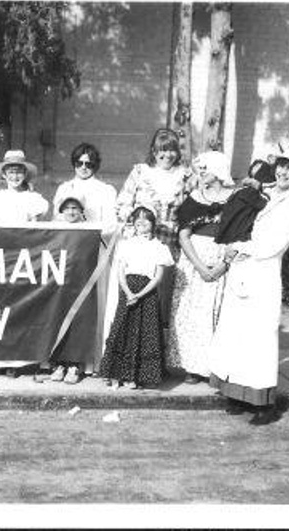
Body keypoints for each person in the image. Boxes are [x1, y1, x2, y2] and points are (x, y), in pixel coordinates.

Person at [208, 146, 289, 425]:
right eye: (282, 166)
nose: (283, 172)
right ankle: (238, 395)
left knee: (260, 337)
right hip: (242, 267)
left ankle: (265, 404)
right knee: (236, 332)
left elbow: (273, 244)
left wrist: (239, 246)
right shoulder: (267, 191)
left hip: (262, 270)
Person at [106, 128, 194, 344]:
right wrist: (140, 221)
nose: (167, 155)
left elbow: (194, 206)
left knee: (157, 301)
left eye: (172, 150)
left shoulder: (185, 175)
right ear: (154, 151)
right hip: (138, 245)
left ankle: (152, 357)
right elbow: (122, 204)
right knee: (130, 296)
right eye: (162, 150)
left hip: (167, 246)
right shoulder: (140, 172)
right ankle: (120, 352)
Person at [165, 152, 235, 384]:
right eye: (201, 169)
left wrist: (222, 266)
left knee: (217, 312)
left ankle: (214, 367)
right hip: (195, 258)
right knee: (192, 312)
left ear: (218, 170)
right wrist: (200, 266)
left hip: (222, 256)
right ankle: (192, 367)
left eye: (206, 169)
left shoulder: (235, 199)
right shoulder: (194, 198)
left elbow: (240, 233)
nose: (202, 173)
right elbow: (184, 235)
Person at [52, 142, 119, 375]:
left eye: (89, 163)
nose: (84, 167)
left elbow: (111, 224)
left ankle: (87, 360)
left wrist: (88, 232)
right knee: (66, 304)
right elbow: (56, 221)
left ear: (95, 165)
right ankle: (62, 358)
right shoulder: (64, 188)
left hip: (95, 255)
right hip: (68, 254)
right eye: (79, 162)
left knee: (92, 305)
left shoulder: (105, 190)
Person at [0, 149, 49, 376]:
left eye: (19, 171)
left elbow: (37, 227)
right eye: (10, 171)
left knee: (20, 308)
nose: (14, 176)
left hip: (23, 258)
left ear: (25, 174)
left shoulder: (34, 199)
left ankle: (18, 362)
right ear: (3, 174)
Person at [98, 205, 174, 389]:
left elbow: (158, 277)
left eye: (146, 218)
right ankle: (115, 373)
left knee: (144, 333)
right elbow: (120, 271)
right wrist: (129, 293)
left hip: (147, 293)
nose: (141, 221)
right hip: (127, 290)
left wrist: (140, 294)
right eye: (137, 218)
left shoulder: (160, 247)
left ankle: (137, 376)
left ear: (153, 224)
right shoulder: (126, 244)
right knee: (122, 329)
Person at [48, 196, 89, 385]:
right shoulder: (56, 231)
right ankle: (59, 364)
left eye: (75, 208)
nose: (71, 212)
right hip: (59, 284)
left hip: (80, 283)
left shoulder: (88, 230)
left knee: (78, 323)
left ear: (81, 211)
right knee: (58, 321)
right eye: (67, 208)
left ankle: (74, 364)